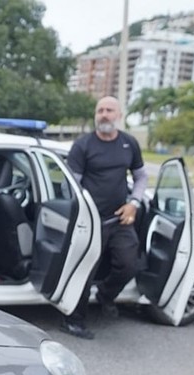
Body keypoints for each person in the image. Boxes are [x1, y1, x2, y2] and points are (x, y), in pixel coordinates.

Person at [60, 96, 149, 340]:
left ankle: (106, 295)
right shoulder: (83, 145)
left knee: (129, 264)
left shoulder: (129, 144)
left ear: (119, 115)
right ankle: (74, 320)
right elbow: (72, 185)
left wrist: (134, 203)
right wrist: (81, 212)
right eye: (100, 110)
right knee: (85, 270)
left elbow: (141, 177)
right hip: (89, 221)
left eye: (109, 110)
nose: (104, 114)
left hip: (120, 219)